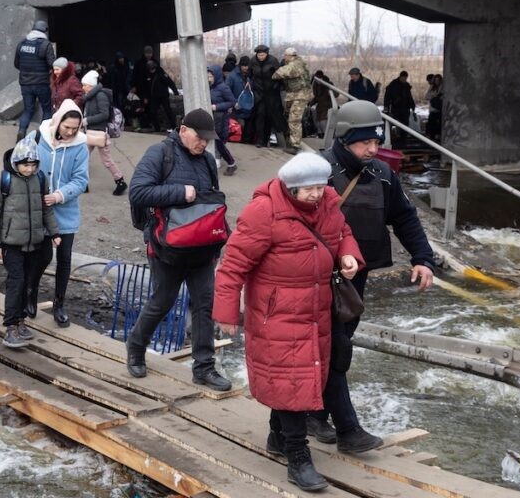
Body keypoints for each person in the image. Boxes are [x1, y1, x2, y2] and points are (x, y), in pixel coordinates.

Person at [213, 152, 362, 492]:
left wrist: (348, 254)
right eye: (307, 189)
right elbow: (233, 264)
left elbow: (343, 232)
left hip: (315, 312)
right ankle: (298, 456)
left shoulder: (328, 205)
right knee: (294, 379)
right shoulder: (263, 212)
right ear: (290, 187)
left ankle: (278, 437)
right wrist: (225, 313)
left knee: (300, 378)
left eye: (320, 187)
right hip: (275, 315)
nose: (315, 194)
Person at [310, 100, 435, 452]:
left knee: (335, 346)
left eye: (376, 142)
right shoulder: (317, 171)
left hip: (356, 278)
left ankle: (315, 414)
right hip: (317, 277)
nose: (373, 149)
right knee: (335, 347)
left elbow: (405, 218)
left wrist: (422, 258)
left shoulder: (381, 173)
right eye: (365, 142)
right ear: (346, 138)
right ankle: (347, 430)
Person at [125, 108, 231, 392]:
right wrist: (179, 192)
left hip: (202, 247)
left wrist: (219, 240)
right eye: (200, 138)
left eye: (208, 140)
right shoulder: (160, 153)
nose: (204, 144)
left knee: (204, 305)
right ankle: (136, 347)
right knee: (163, 301)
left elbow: (211, 203)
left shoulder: (208, 160)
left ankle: (204, 367)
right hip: (166, 246)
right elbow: (137, 191)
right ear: (183, 130)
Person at [0, 138, 61, 349]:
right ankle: (10, 327)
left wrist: (54, 232)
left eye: (33, 165)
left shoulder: (40, 179)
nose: (29, 169)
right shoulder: (2, 180)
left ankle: (20, 321)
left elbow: (45, 209)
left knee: (28, 282)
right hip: (11, 243)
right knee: (16, 282)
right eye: (25, 165)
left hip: (34, 242)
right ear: (16, 162)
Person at [26, 99, 90, 327]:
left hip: (65, 211)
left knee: (64, 259)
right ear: (58, 121)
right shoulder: (37, 137)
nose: (71, 132)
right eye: (67, 127)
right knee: (41, 256)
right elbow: (18, 161)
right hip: (40, 210)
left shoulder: (80, 146)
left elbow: (81, 179)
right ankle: (30, 293)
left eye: (75, 128)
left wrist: (59, 195)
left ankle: (59, 304)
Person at [81, 70, 127, 195]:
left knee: (106, 160)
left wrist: (87, 120)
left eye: (84, 85)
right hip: (91, 132)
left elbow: (104, 114)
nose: (83, 87)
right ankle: (83, 183)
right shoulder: (90, 96)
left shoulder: (100, 96)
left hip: (99, 132)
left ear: (90, 85)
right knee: (82, 158)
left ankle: (120, 181)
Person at [14, 20, 56, 142]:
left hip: (25, 83)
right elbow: (52, 64)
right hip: (42, 83)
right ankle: (40, 136)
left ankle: (22, 131)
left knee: (28, 109)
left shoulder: (21, 44)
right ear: (44, 31)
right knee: (47, 109)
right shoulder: (45, 45)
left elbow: (17, 64)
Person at [272, 47, 311, 155]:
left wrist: (273, 72)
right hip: (294, 94)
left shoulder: (295, 65)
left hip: (300, 95)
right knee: (288, 117)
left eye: (285, 56)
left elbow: (278, 74)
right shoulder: (298, 62)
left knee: (294, 120)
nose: (284, 58)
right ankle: (291, 141)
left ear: (290, 56)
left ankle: (295, 146)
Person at [250, 45, 288, 150]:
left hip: (272, 93)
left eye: (262, 55)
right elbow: (250, 75)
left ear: (267, 54)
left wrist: (277, 86)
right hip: (259, 93)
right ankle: (260, 140)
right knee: (260, 115)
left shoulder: (273, 61)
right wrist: (250, 84)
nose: (260, 57)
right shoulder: (253, 61)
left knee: (271, 117)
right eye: (259, 55)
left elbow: (280, 75)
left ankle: (272, 139)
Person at [207, 64, 238, 175]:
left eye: (211, 76)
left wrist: (216, 107)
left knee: (219, 143)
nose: (209, 78)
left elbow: (232, 102)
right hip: (213, 119)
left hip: (221, 119)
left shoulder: (223, 87)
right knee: (214, 141)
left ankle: (231, 163)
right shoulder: (211, 86)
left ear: (217, 76)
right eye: (208, 76)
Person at [383, 70, 416, 145]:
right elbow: (387, 96)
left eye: (405, 78)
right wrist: (386, 106)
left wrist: (413, 107)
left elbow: (409, 97)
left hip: (405, 108)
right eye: (403, 78)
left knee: (405, 125)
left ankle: (403, 140)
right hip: (396, 108)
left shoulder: (407, 85)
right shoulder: (393, 84)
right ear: (400, 77)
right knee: (393, 123)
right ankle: (391, 139)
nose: (404, 79)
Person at [144, 61, 179, 132]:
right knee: (152, 112)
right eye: (150, 69)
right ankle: (157, 128)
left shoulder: (161, 73)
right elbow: (147, 87)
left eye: (152, 69)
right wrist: (146, 97)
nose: (151, 71)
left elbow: (170, 82)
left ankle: (174, 127)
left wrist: (176, 92)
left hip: (163, 96)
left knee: (168, 111)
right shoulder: (148, 75)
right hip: (154, 97)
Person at [311, 70, 337, 138]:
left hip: (328, 106)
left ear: (322, 78)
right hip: (320, 106)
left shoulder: (328, 84)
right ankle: (321, 134)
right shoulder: (315, 85)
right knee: (317, 121)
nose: (317, 81)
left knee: (323, 121)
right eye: (316, 80)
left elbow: (336, 94)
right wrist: (311, 103)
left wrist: (331, 93)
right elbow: (317, 97)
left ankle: (328, 136)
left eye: (319, 79)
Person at [425, 74, 443, 142]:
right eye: (435, 80)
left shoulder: (443, 87)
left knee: (439, 124)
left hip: (440, 109)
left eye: (438, 80)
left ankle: (437, 136)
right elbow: (426, 96)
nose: (437, 82)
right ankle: (432, 136)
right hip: (433, 109)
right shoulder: (432, 87)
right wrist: (434, 96)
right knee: (431, 124)